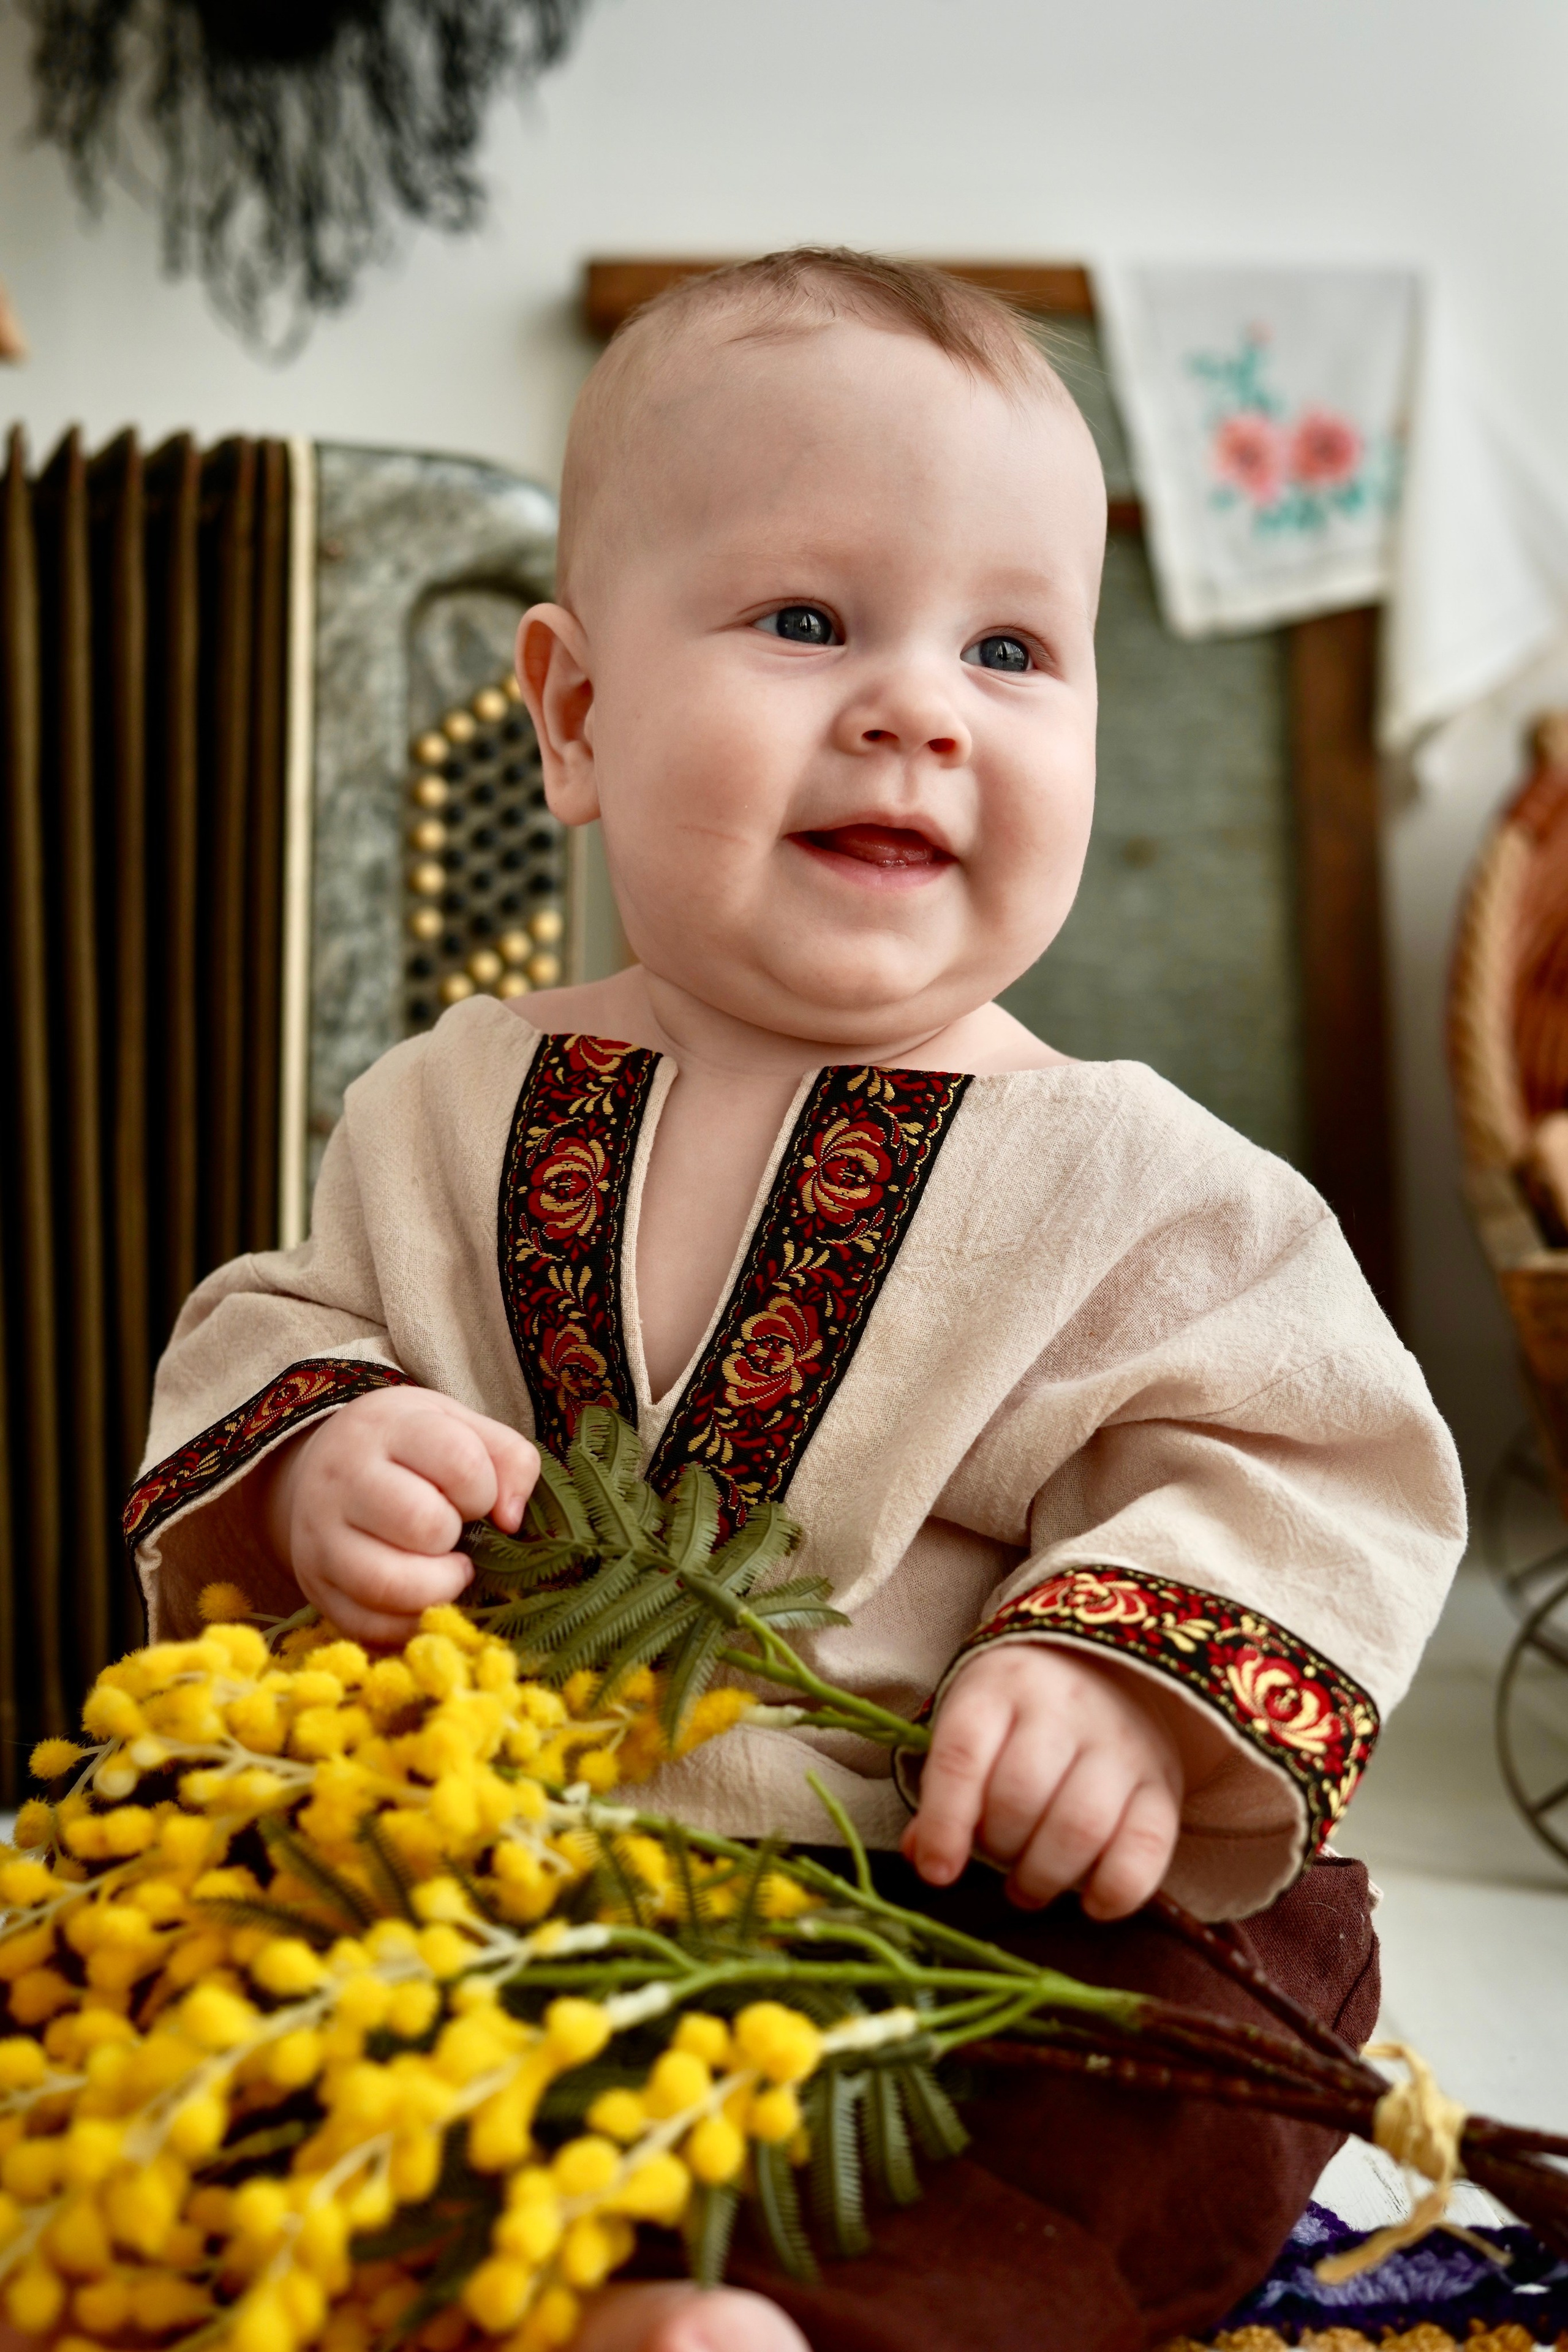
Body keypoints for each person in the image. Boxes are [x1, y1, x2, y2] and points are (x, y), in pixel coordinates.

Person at [127, 250, 1464, 2352]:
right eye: (808, 621)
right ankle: (469, 2257)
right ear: (571, 714)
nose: (918, 705)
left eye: (1012, 648)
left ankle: (858, 2318)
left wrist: (1118, 1685)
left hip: (958, 1913)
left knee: (1244, 2000)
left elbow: (1314, 1466)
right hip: (520, 1891)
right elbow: (279, 1319)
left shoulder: (1143, 1182)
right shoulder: (443, 1105)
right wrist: (323, 1459)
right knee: (209, 1953)